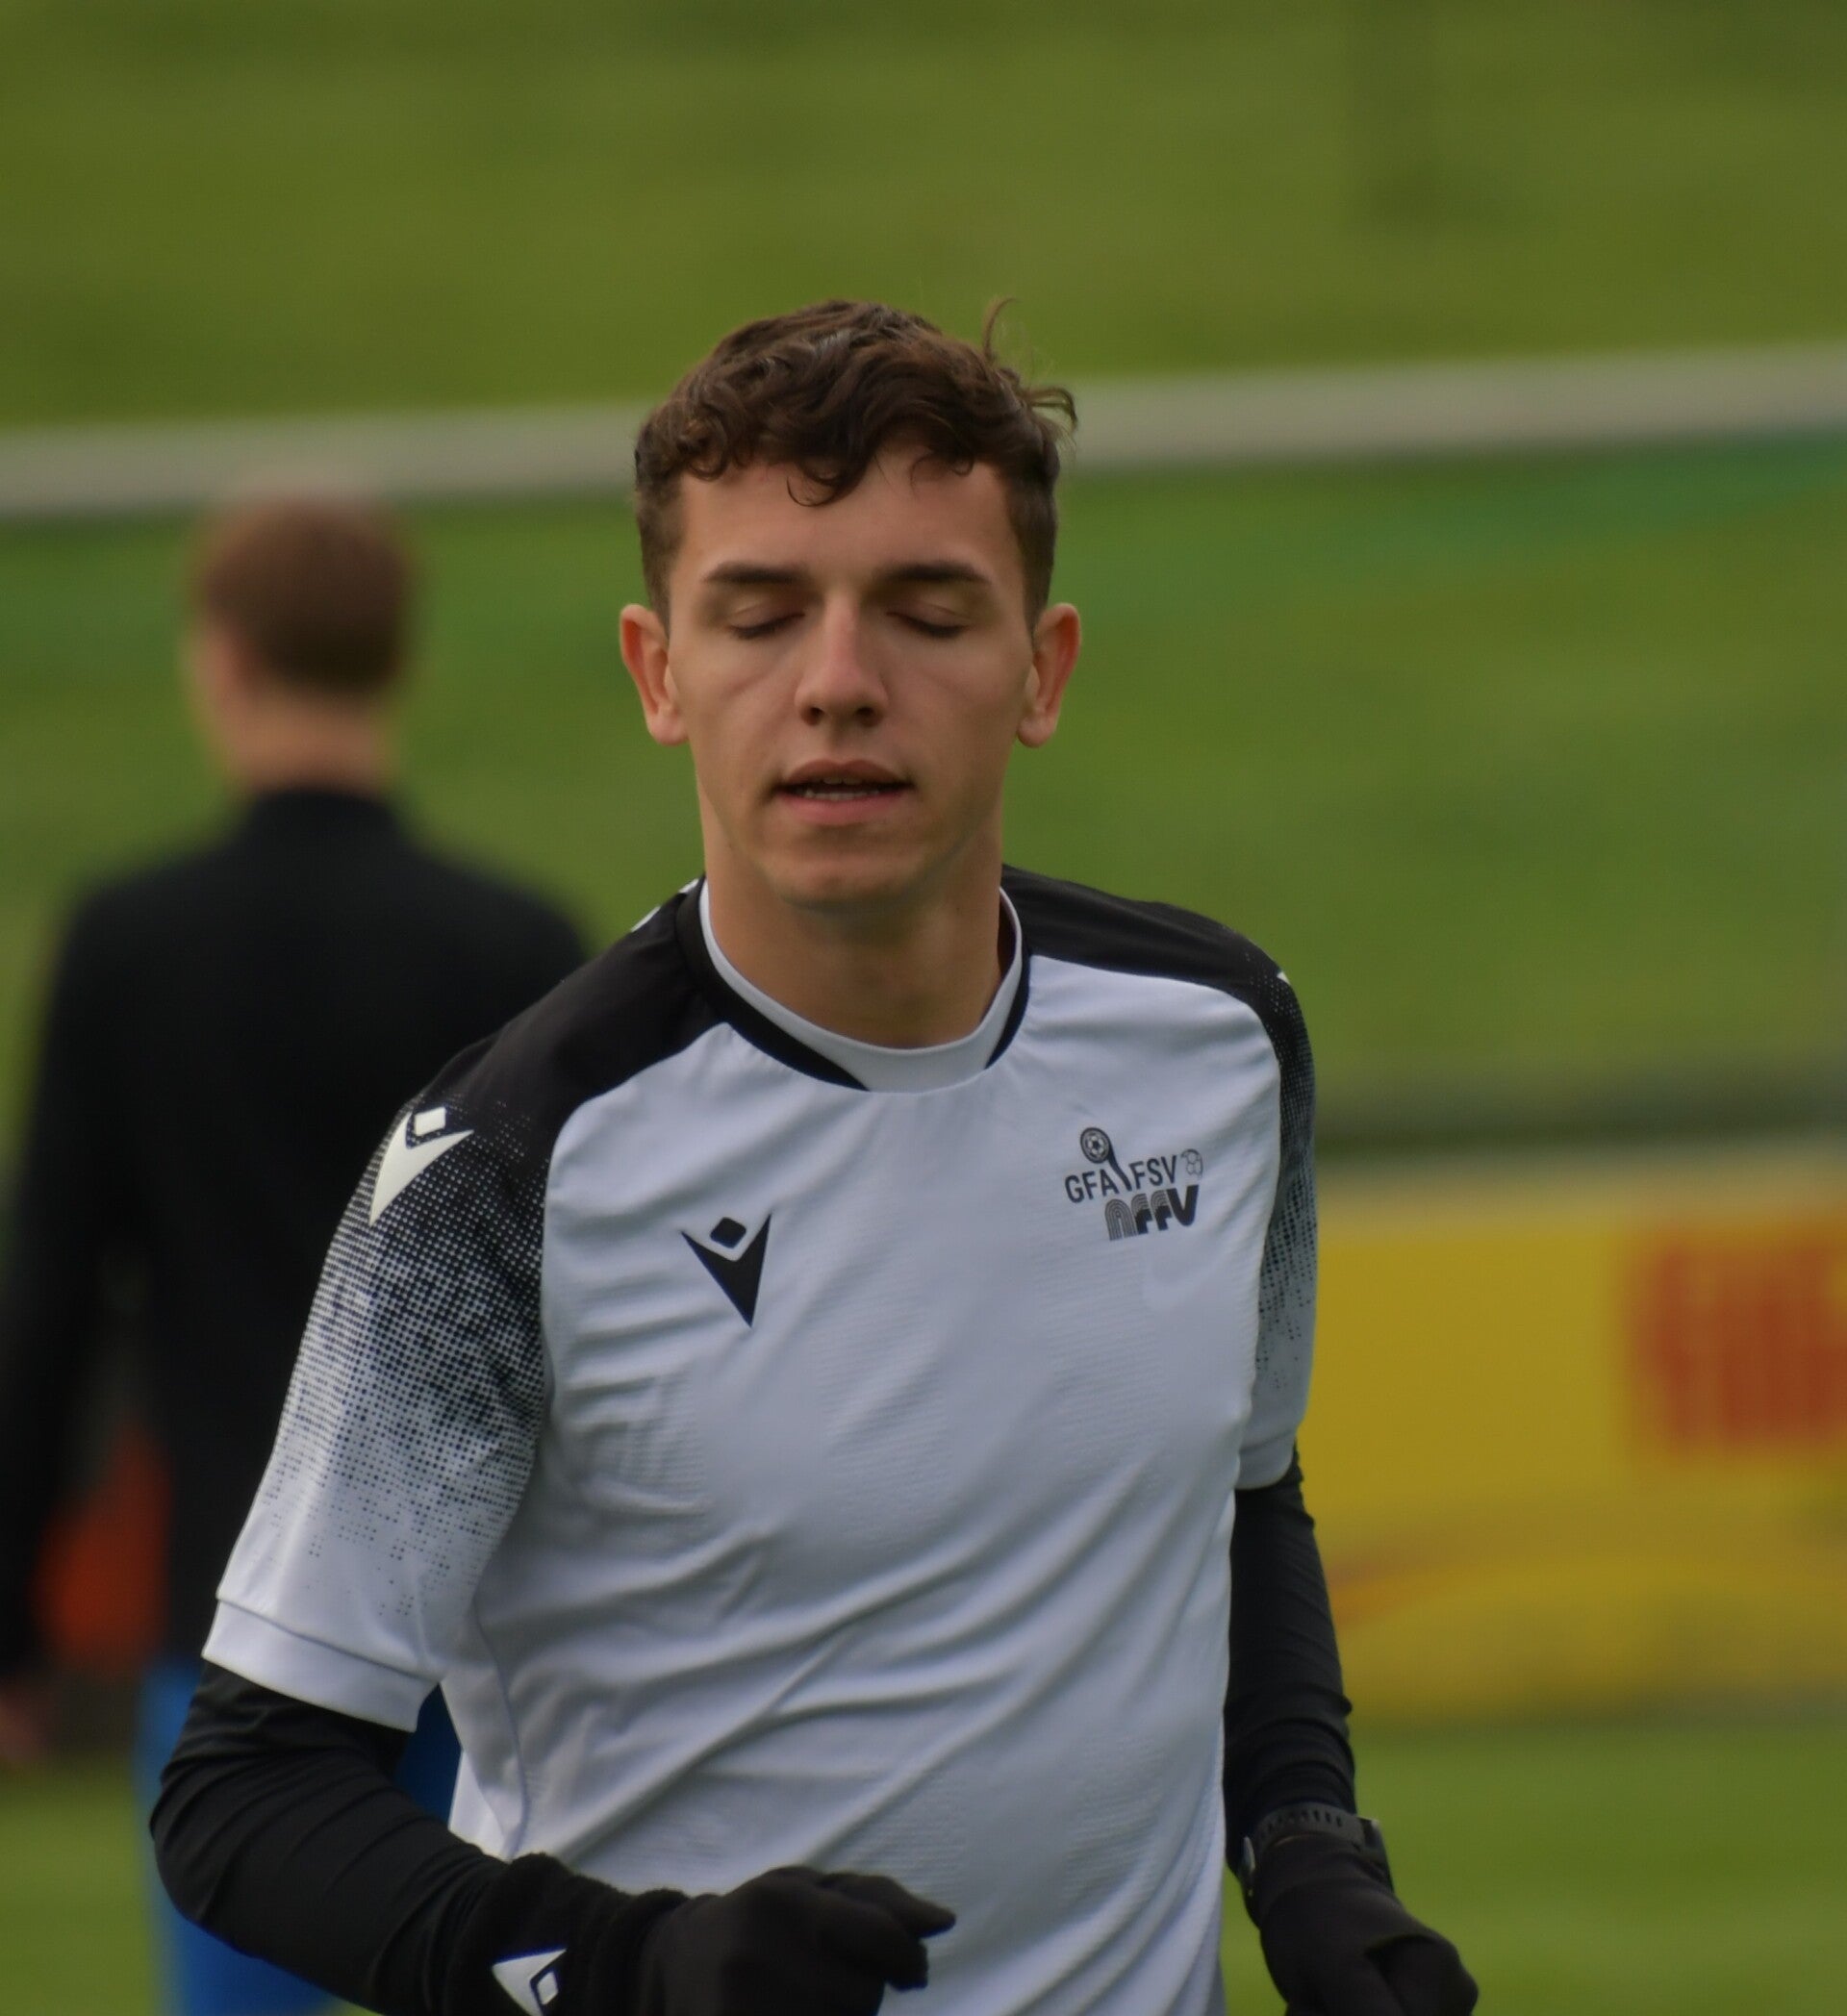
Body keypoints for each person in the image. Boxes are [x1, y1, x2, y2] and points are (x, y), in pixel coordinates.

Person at [151, 304, 1477, 2016]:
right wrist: (633, 1965)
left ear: (1044, 669)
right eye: (761, 613)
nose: (840, 679)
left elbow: (1240, 1497)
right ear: (659, 673)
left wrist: (1303, 1846)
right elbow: (245, 1795)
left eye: (928, 611)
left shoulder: (1223, 1041)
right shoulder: (507, 1174)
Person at [0, 495, 585, 2016]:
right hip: (476, 1627)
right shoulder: (513, 949)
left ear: (221, 660)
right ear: (399, 659)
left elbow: (48, 1301)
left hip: (232, 1623)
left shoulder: (130, 947)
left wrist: (12, 1617)